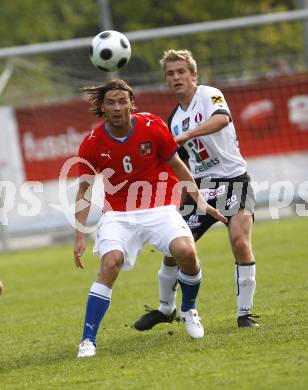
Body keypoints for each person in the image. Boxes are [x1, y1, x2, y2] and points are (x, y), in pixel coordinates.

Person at [74, 79, 228, 358]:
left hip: (158, 205)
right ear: (102, 107)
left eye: (123, 101)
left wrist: (201, 200)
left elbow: (178, 166)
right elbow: (83, 191)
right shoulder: (92, 143)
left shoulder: (152, 126)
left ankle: (189, 309)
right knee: (110, 264)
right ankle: (87, 340)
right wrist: (79, 235)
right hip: (118, 213)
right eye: (111, 102)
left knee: (186, 251)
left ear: (132, 103)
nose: (118, 107)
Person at [134, 50, 259, 331]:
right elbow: (180, 164)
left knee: (240, 242)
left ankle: (245, 314)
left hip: (233, 181)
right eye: (170, 73)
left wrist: (187, 135)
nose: (176, 77)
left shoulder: (210, 94)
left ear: (193, 74)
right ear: (166, 80)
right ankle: (166, 309)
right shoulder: (173, 118)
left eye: (181, 71)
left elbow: (222, 119)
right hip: (200, 187)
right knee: (173, 248)